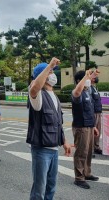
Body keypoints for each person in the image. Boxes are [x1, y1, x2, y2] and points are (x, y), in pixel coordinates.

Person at [26, 59, 71, 200]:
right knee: (39, 189)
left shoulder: (54, 96)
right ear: (42, 76)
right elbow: (34, 89)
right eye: (50, 72)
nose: (53, 74)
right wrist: (49, 66)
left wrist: (64, 140)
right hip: (41, 149)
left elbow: (57, 122)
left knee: (51, 187)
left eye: (52, 71)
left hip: (54, 149)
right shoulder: (37, 94)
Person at [72, 70, 100, 189]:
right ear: (79, 80)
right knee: (81, 152)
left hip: (89, 125)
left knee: (88, 152)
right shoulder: (76, 92)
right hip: (81, 126)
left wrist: (93, 126)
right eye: (86, 78)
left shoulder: (87, 91)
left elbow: (89, 110)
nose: (89, 80)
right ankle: (79, 178)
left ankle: (87, 173)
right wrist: (85, 78)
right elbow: (77, 91)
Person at [90, 70, 103, 155]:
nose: (96, 78)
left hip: (98, 112)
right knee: (92, 132)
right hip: (93, 113)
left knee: (98, 131)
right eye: (94, 76)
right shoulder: (89, 88)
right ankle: (90, 149)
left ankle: (96, 147)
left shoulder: (94, 87)